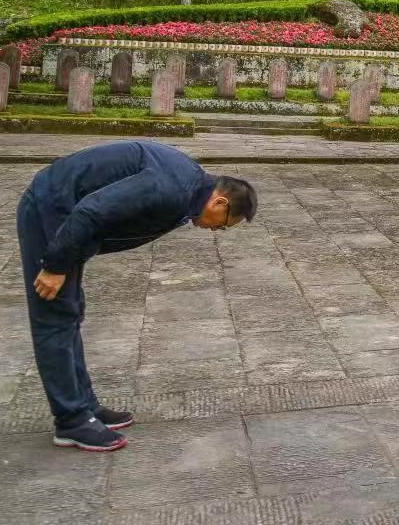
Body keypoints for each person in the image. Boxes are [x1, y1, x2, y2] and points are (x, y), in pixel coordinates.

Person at [16, 140, 257, 451]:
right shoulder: (170, 188)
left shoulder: (188, 186)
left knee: (70, 313)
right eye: (223, 225)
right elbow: (91, 210)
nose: (216, 231)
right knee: (55, 317)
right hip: (50, 209)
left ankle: (85, 406)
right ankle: (71, 421)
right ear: (220, 203)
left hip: (65, 217)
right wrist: (55, 265)